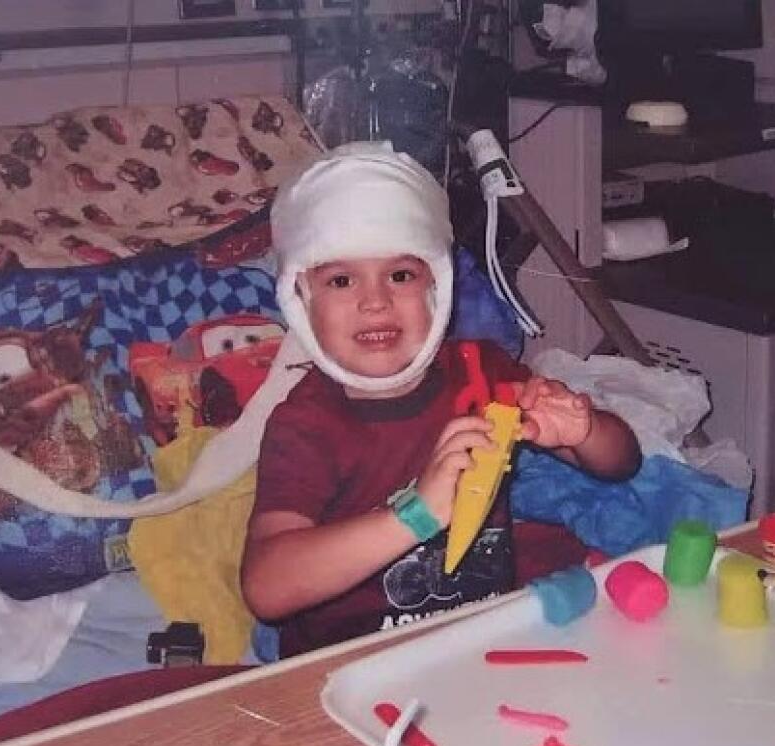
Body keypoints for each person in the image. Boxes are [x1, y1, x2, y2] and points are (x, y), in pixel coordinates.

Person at [240, 142, 640, 657]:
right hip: (352, 664)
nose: (376, 300)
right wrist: (416, 514)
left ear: (438, 285)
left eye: (401, 274)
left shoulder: (482, 372)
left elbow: (622, 462)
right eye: (341, 280)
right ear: (300, 300)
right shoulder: (305, 425)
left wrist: (583, 431)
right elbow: (266, 589)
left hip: (476, 644)